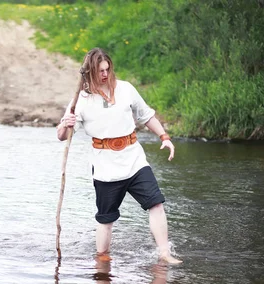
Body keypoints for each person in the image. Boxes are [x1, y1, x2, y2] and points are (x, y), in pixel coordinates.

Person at [57, 48, 182, 265]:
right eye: (100, 71)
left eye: (107, 69)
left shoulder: (125, 89)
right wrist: (65, 125)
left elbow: (146, 115)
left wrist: (164, 137)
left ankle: (164, 253)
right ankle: (102, 259)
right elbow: (62, 136)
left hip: (134, 160)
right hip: (105, 167)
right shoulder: (81, 100)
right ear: (90, 73)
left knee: (156, 203)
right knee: (106, 219)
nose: (105, 74)